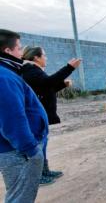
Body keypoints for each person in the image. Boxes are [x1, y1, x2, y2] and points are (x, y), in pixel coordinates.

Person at [0, 29, 48, 203]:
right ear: (8, 51)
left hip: (15, 149)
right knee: (20, 197)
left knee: (18, 195)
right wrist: (31, 149)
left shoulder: (7, 73)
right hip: (19, 152)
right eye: (19, 48)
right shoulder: (4, 77)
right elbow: (12, 119)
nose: (22, 53)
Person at [21, 46, 81, 185]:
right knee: (38, 145)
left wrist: (62, 85)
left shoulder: (34, 70)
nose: (46, 58)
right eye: (44, 55)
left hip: (40, 115)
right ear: (36, 57)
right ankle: (38, 176)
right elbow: (48, 82)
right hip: (34, 116)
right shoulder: (30, 70)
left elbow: (45, 87)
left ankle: (44, 170)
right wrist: (69, 67)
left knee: (43, 144)